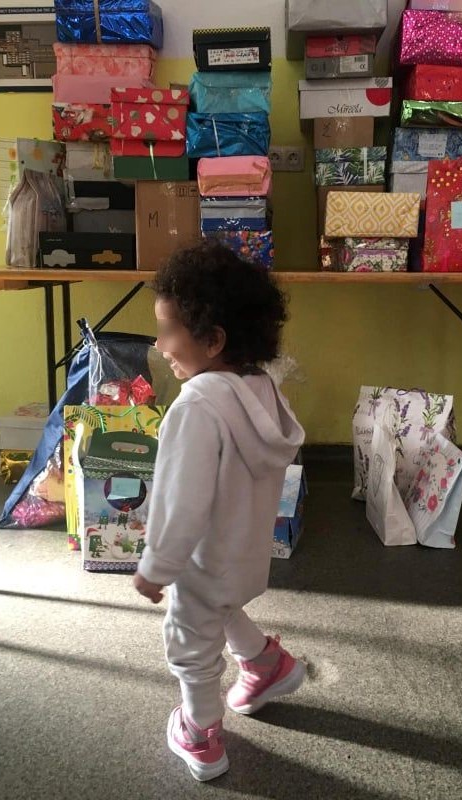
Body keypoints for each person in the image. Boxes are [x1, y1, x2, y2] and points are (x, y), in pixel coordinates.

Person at [133, 242, 306, 782]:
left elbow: (178, 503)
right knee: (222, 606)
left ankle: (200, 731)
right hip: (248, 555)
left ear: (212, 340)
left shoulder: (197, 407)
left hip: (204, 560)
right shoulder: (260, 389)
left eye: (168, 332)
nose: (160, 345)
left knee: (189, 639)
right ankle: (265, 663)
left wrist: (156, 566)